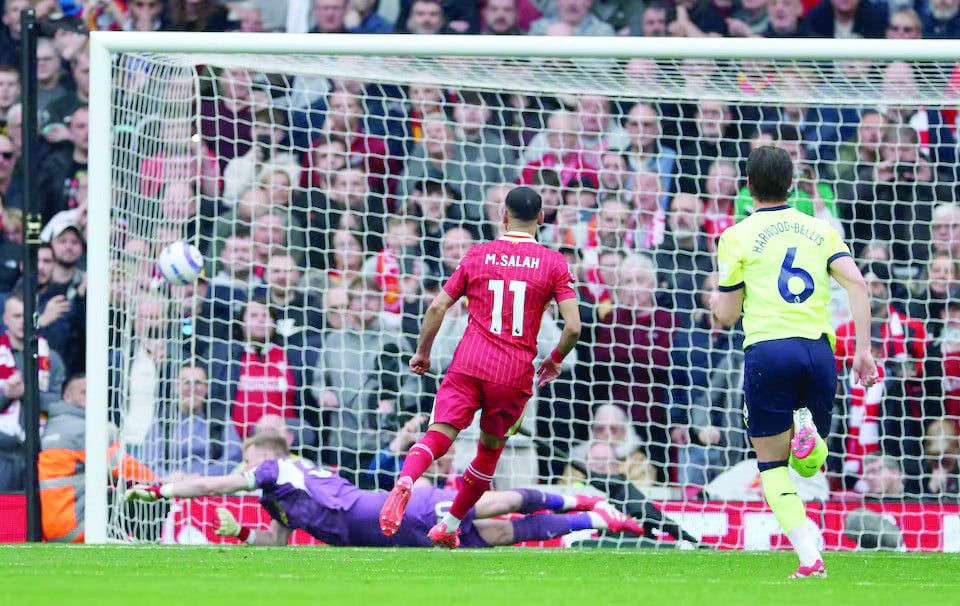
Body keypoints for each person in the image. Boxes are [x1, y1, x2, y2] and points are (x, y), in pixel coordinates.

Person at [378, 186, 581, 548]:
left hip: (469, 363)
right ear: (541, 219)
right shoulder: (554, 263)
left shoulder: (478, 254)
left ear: (503, 216)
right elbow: (574, 327)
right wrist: (554, 361)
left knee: (438, 434)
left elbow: (437, 307)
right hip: (513, 372)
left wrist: (423, 352)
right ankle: (451, 524)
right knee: (489, 451)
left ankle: (406, 480)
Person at [711, 146, 878, 578]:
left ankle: (809, 555)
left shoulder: (737, 235)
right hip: (820, 350)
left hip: (769, 349)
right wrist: (863, 350)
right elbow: (858, 284)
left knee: (772, 465)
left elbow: (727, 316)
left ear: (748, 187)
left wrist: (718, 297)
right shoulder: (820, 229)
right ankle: (806, 434)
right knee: (810, 462)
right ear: (792, 184)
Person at [126, 432, 642, 547]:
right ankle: (596, 521)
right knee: (496, 534)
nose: (246, 465)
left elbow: (213, 482)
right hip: (386, 536)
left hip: (392, 509)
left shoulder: (275, 469)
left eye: (248, 456)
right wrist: (240, 534)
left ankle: (583, 497)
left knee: (495, 503)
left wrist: (161, 491)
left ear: (263, 454)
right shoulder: (278, 498)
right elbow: (275, 546)